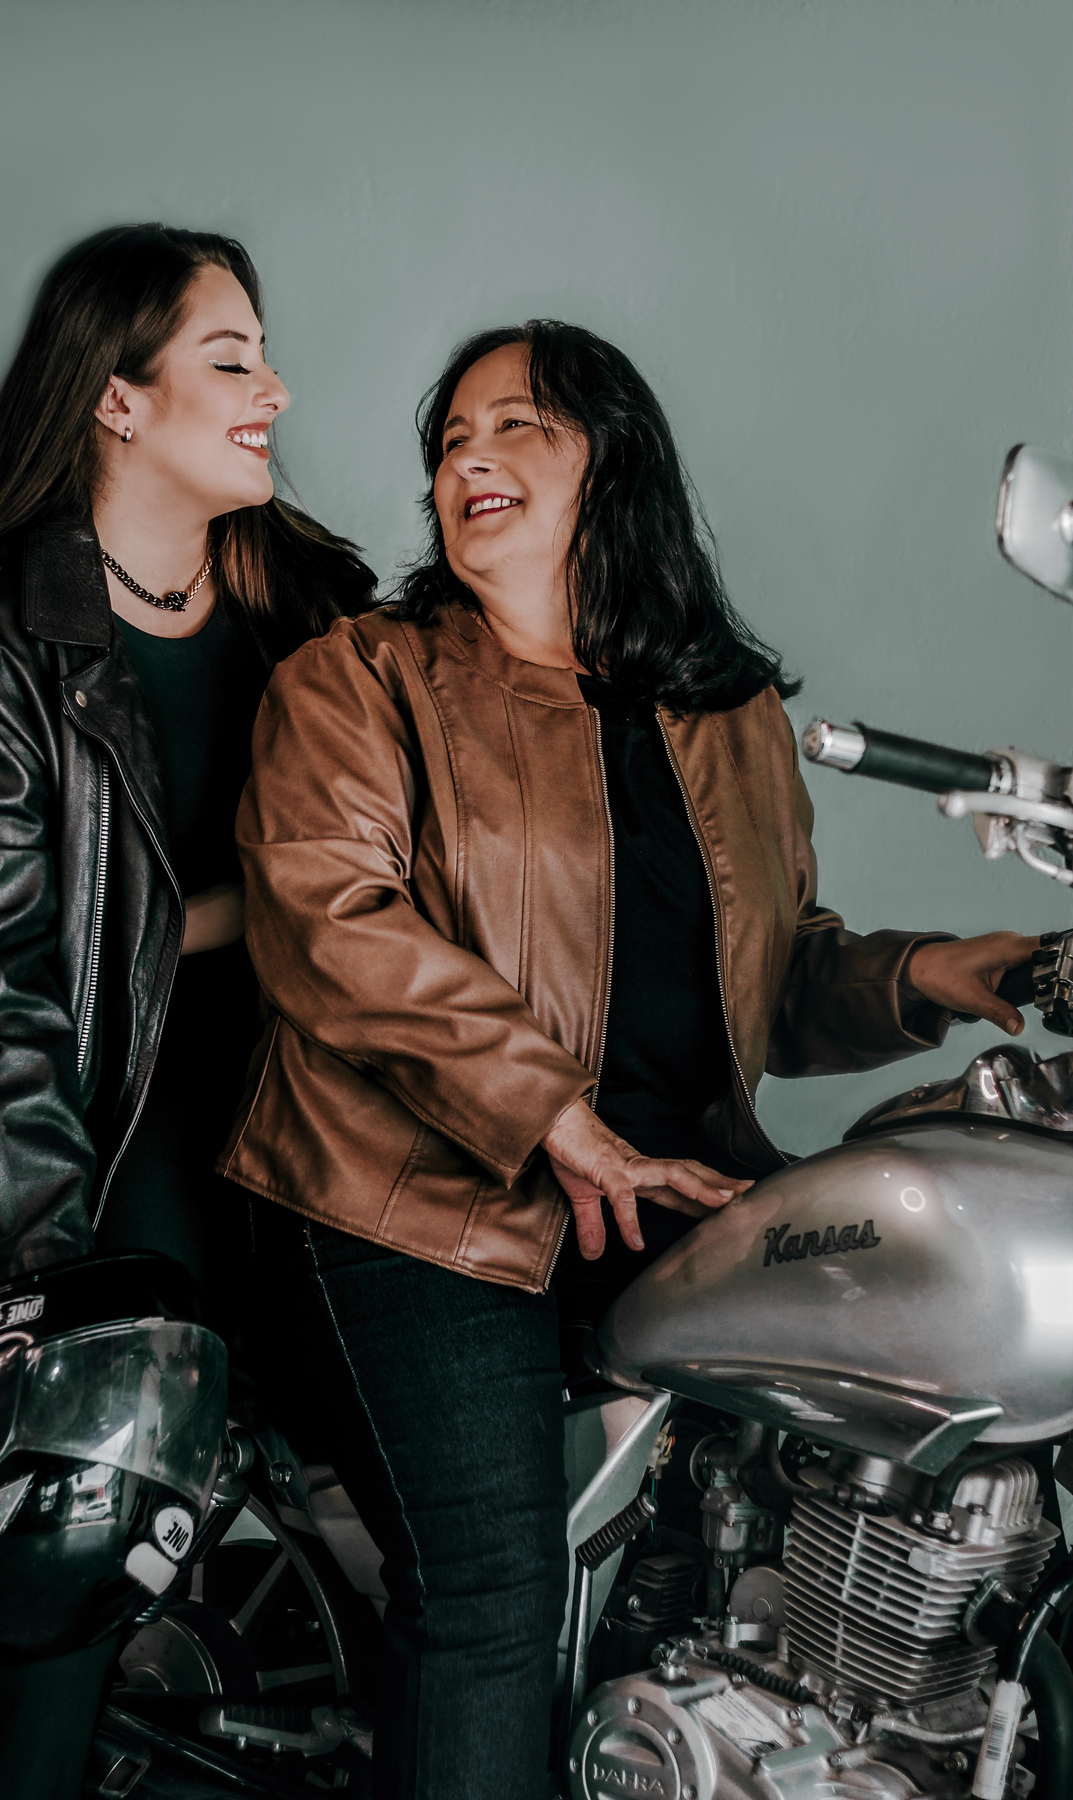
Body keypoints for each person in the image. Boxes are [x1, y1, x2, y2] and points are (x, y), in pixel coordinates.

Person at [220, 320, 1037, 1799]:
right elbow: (330, 923)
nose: (469, 458)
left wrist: (933, 974)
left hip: (672, 1192)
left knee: (851, 1494)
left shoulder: (729, 718)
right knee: (491, 1589)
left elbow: (765, 977)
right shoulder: (365, 678)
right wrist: (554, 1116)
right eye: (451, 439)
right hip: (420, 1205)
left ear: (615, 461)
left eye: (516, 425)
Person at [0, 224, 372, 1799]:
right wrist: (55, 1297)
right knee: (36, 1675)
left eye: (265, 356)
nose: (274, 390)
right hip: (114, 1190)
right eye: (231, 360)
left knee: (412, 1613)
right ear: (116, 398)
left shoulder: (314, 601)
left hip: (333, 1165)